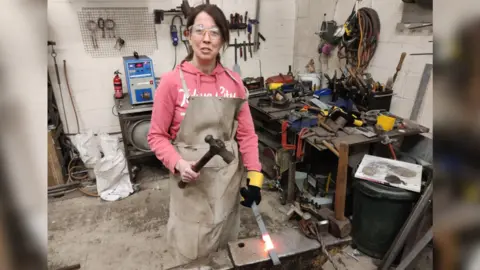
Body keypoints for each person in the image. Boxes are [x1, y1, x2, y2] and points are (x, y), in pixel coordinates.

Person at [147, 4, 264, 265]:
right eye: (199, 30)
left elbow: (247, 135)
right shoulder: (172, 82)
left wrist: (255, 177)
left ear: (223, 39)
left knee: (225, 244)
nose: (206, 38)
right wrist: (177, 162)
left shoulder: (235, 83)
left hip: (226, 182)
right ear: (188, 35)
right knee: (191, 248)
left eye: (214, 32)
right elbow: (156, 136)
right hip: (191, 183)